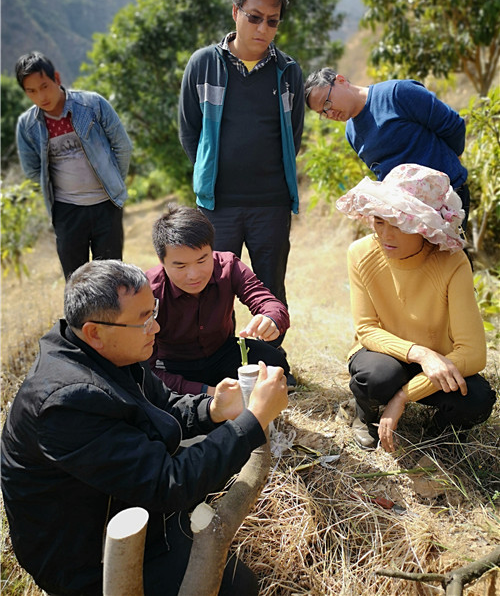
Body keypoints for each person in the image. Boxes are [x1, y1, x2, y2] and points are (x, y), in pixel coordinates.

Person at [1, 259, 288, 596]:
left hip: (119, 502)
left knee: (216, 465)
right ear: (95, 331)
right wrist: (252, 420)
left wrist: (213, 408)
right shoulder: (66, 403)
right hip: (90, 558)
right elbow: (169, 484)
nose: (155, 328)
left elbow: (161, 405)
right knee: (238, 588)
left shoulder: (103, 351)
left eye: (152, 312)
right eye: (143, 321)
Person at [335, 164, 495, 452]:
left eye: (399, 224)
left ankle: (438, 430)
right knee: (378, 377)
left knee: (478, 399)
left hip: (437, 365)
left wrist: (404, 398)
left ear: (425, 228)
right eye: (380, 222)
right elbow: (366, 329)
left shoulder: (452, 262)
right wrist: (420, 353)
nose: (386, 235)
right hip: (383, 355)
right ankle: (364, 413)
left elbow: (473, 353)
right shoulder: (360, 253)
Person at [178, 0, 304, 324]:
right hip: (218, 205)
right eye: (254, 17)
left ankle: (271, 364)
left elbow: (292, 135)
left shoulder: (288, 72)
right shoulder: (203, 64)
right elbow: (190, 132)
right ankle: (219, 366)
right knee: (212, 288)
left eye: (272, 20)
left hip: (271, 205)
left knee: (270, 289)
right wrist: (210, 171)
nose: (263, 28)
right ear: (235, 12)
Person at [146, 204, 295, 395]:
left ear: (211, 250)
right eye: (181, 266)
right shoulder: (149, 289)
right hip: (175, 365)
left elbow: (268, 302)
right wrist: (208, 392)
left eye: (202, 260)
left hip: (222, 353)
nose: (194, 275)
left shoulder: (228, 265)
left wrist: (270, 319)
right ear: (162, 261)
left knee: (274, 360)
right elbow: (146, 368)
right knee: (151, 385)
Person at [15, 51, 133, 278]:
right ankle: (82, 316)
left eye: (45, 86)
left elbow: (122, 147)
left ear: (57, 78)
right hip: (66, 212)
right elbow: (32, 170)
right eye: (31, 91)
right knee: (76, 281)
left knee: (112, 278)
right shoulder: (27, 125)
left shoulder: (93, 105)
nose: (41, 96)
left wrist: (113, 183)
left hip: (105, 206)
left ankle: (111, 315)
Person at [304, 68, 470, 227]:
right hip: (408, 216)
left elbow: (453, 125)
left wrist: (452, 162)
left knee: (449, 256)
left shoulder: (397, 93)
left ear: (340, 81)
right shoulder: (351, 133)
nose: (330, 113)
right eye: (323, 113)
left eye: (326, 104)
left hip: (447, 200)